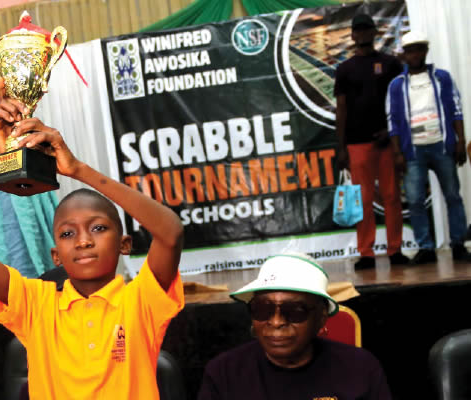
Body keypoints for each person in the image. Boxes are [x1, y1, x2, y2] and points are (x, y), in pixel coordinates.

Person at [0, 79, 185, 400]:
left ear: (124, 245)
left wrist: (77, 169)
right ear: (56, 255)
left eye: (98, 228)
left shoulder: (140, 301)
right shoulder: (37, 305)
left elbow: (171, 233)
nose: (83, 241)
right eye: (67, 233)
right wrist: (0, 161)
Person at [198, 253, 392, 400]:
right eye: (263, 309)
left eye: (294, 311)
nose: (276, 322)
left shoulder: (361, 369)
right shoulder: (223, 374)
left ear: (321, 317)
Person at [387, 31, 471, 264]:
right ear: (404, 55)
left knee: (453, 195)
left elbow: (456, 109)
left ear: (425, 51)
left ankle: (458, 244)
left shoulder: (442, 77)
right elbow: (393, 121)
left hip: (441, 145)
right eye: (410, 51)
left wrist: (460, 141)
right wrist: (397, 152)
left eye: (419, 49)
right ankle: (425, 248)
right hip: (413, 150)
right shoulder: (396, 85)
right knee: (415, 200)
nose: (415, 54)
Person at [335, 14, 408, 269]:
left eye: (367, 29)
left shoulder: (390, 64)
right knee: (363, 200)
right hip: (357, 143)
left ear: (375, 32)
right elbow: (341, 109)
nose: (363, 34)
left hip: (387, 140)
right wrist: (341, 147)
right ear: (353, 35)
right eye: (359, 30)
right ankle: (366, 253)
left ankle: (395, 249)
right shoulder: (345, 69)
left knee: (392, 196)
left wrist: (392, 131)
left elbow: (401, 102)